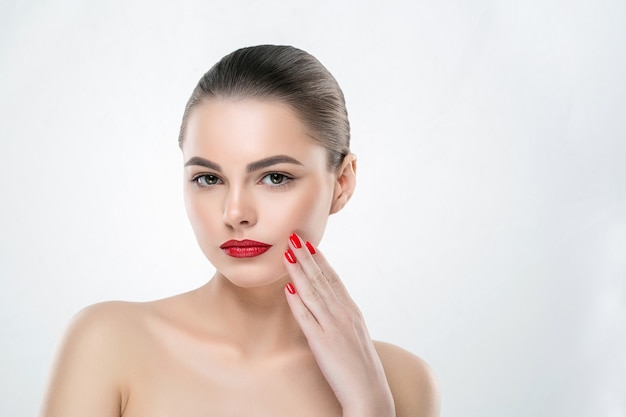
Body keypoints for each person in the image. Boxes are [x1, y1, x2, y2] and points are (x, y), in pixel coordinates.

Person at [40, 45, 440, 417]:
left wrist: (369, 404)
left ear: (343, 182)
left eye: (275, 177)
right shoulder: (109, 343)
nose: (235, 213)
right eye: (208, 179)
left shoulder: (401, 382)